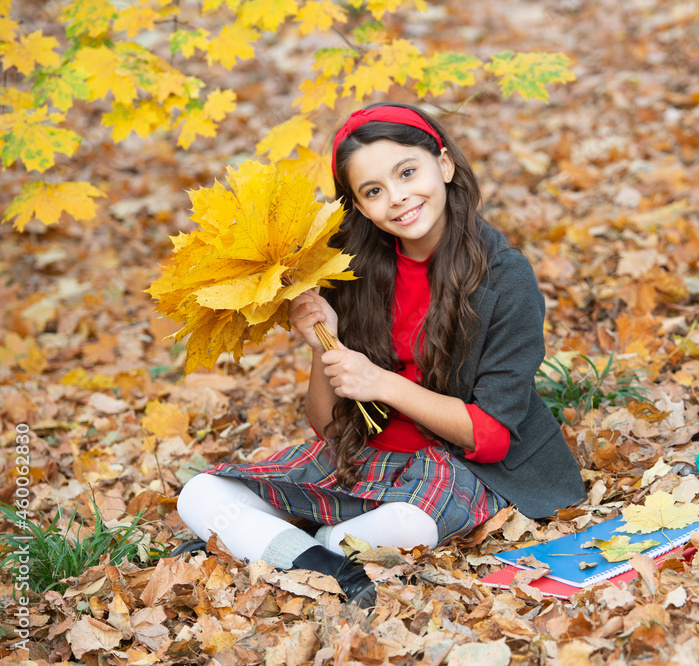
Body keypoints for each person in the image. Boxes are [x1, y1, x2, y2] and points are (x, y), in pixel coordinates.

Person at [174, 102, 586, 607]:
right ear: (360, 206)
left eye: (407, 172)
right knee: (198, 493)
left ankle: (287, 549)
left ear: (445, 164)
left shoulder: (505, 279)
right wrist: (326, 341)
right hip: (367, 459)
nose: (398, 198)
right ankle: (324, 562)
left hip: (460, 467)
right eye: (373, 191)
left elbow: (492, 438)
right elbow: (327, 426)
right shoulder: (354, 270)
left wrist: (383, 383)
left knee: (406, 523)